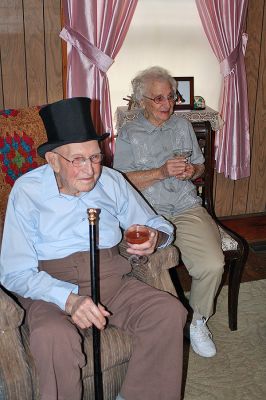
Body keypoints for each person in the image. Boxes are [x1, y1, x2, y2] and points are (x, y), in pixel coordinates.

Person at [0, 97, 187, 400]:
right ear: (53, 161)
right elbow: (14, 273)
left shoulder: (111, 181)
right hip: (52, 289)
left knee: (168, 312)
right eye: (77, 160)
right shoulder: (27, 191)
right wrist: (68, 299)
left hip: (112, 278)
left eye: (96, 157)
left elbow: (158, 224)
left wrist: (156, 236)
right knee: (52, 337)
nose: (90, 170)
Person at [113, 66, 225, 358]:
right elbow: (120, 180)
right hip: (147, 211)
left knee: (213, 264)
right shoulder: (129, 133)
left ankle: (197, 321)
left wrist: (192, 171)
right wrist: (161, 172)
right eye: (158, 98)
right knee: (148, 270)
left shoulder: (182, 126)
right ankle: (157, 324)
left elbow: (200, 166)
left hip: (186, 207)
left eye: (171, 97)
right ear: (142, 102)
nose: (167, 104)